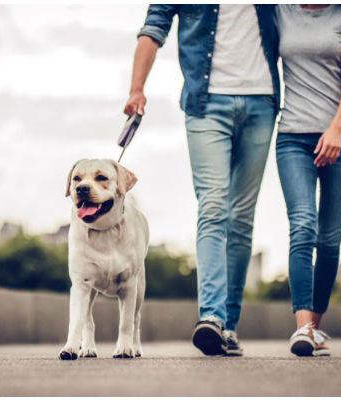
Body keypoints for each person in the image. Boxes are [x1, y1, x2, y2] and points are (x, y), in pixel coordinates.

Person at [124, 5, 280, 356]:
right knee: (212, 206)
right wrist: (137, 89)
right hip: (206, 105)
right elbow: (153, 29)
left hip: (262, 103)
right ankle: (211, 316)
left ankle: (230, 325)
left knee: (241, 219)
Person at [274, 4, 341, 356]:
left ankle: (313, 329)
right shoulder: (279, 11)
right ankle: (302, 329)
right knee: (302, 226)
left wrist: (336, 128)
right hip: (293, 138)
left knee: (330, 241)